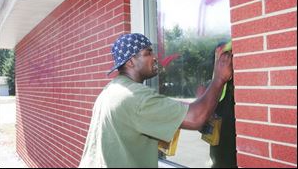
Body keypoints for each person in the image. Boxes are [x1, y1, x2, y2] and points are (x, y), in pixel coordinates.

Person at [79, 33, 233, 168]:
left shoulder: (113, 89)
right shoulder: (135, 96)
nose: (155, 57)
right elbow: (196, 118)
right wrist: (219, 78)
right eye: (148, 53)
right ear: (130, 61)